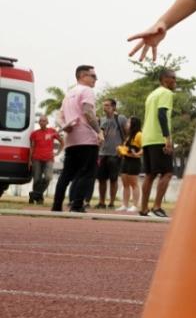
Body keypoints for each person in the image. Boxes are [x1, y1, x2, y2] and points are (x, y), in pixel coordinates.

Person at [52, 65, 102, 213]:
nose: (95, 79)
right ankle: (77, 205)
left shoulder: (69, 93)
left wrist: (64, 126)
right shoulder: (87, 91)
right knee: (87, 173)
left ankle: (56, 205)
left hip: (71, 139)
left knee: (66, 173)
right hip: (86, 138)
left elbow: (59, 116)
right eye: (93, 76)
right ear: (82, 76)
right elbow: (88, 112)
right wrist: (99, 132)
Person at [138, 69, 178, 218]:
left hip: (147, 138)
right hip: (158, 138)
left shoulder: (152, 94)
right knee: (167, 173)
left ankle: (143, 208)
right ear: (165, 79)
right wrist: (167, 138)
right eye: (173, 78)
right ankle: (157, 206)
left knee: (150, 174)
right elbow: (162, 115)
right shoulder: (166, 93)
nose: (175, 81)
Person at [95, 98, 126, 210]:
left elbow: (127, 133)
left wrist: (124, 149)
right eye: (104, 105)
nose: (105, 107)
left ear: (113, 107)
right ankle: (101, 202)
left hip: (115, 154)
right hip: (102, 153)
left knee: (113, 179)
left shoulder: (121, 118)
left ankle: (112, 202)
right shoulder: (102, 120)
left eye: (107, 105)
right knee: (101, 179)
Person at [27, 114, 60, 205]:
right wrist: (29, 160)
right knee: (37, 179)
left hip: (49, 159)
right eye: (40, 121)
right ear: (38, 122)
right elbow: (32, 147)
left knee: (48, 177)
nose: (42, 122)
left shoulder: (52, 131)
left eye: (44, 120)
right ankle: (38, 199)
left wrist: (58, 152)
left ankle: (34, 194)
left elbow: (62, 141)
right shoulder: (34, 133)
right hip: (36, 159)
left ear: (47, 122)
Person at [117, 116, 143, 213]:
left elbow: (143, 148)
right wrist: (120, 151)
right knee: (125, 183)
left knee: (134, 183)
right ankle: (125, 204)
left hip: (134, 161)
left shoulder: (139, 135)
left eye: (128, 122)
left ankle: (135, 205)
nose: (126, 124)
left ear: (134, 124)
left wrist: (136, 154)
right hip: (125, 160)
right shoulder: (128, 136)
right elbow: (125, 149)